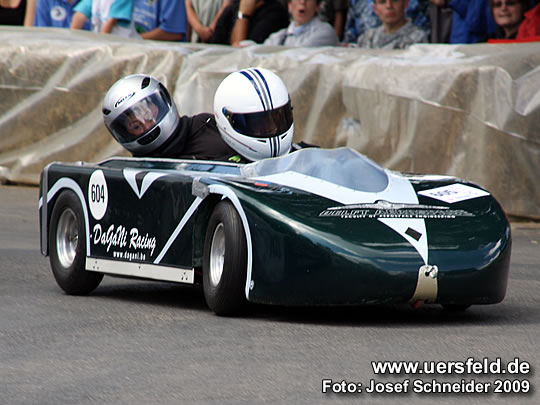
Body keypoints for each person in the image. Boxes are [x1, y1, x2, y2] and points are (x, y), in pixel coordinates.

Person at [103, 74, 238, 160]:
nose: (147, 125)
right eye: (136, 126)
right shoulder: (134, 174)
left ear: (162, 101)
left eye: (147, 114)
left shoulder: (207, 125)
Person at [214, 67, 295, 161]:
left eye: (278, 120)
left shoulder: (302, 157)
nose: (273, 129)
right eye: (258, 124)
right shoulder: (217, 167)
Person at [343, 0, 430, 44]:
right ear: (375, 9)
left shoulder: (418, 38)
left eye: (395, 0)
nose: (389, 6)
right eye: (382, 2)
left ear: (406, 3)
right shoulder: (367, 38)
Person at [209, 0, 289, 46]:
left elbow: (240, 50)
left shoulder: (275, 12)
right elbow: (215, 45)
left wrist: (243, 16)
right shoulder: (232, 7)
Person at [264, 0, 339, 46]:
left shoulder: (326, 32)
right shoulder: (277, 37)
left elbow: (300, 55)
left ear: (318, 6)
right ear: (289, 5)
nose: (302, 1)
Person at [70, 0, 139, 38]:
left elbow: (110, 22)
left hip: (126, 45)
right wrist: (71, 38)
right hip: (106, 43)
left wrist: (98, 46)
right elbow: (80, 15)